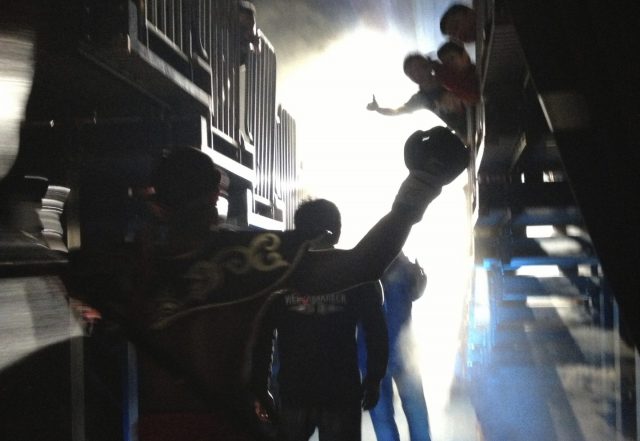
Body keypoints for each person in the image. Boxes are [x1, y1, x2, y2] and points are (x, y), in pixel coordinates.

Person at [69, 126, 470, 441]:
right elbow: (362, 265)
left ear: (156, 203)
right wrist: (421, 186)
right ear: (215, 195)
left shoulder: (123, 267)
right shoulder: (252, 257)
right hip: (229, 431)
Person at [251, 199, 389, 441]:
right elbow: (376, 331)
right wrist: (374, 378)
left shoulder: (280, 273)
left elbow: (262, 336)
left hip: (294, 391)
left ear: (298, 230)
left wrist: (260, 388)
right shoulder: (356, 271)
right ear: (337, 230)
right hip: (341, 392)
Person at [359, 252, 432, 441]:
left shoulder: (362, 272)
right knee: (416, 412)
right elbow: (418, 290)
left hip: (371, 355)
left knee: (382, 417)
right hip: (403, 353)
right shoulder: (404, 269)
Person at [367, 53, 468, 138]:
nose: (417, 74)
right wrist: (378, 109)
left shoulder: (446, 74)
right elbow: (397, 111)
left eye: (418, 68)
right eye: (411, 73)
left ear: (428, 66)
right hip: (465, 133)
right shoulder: (420, 99)